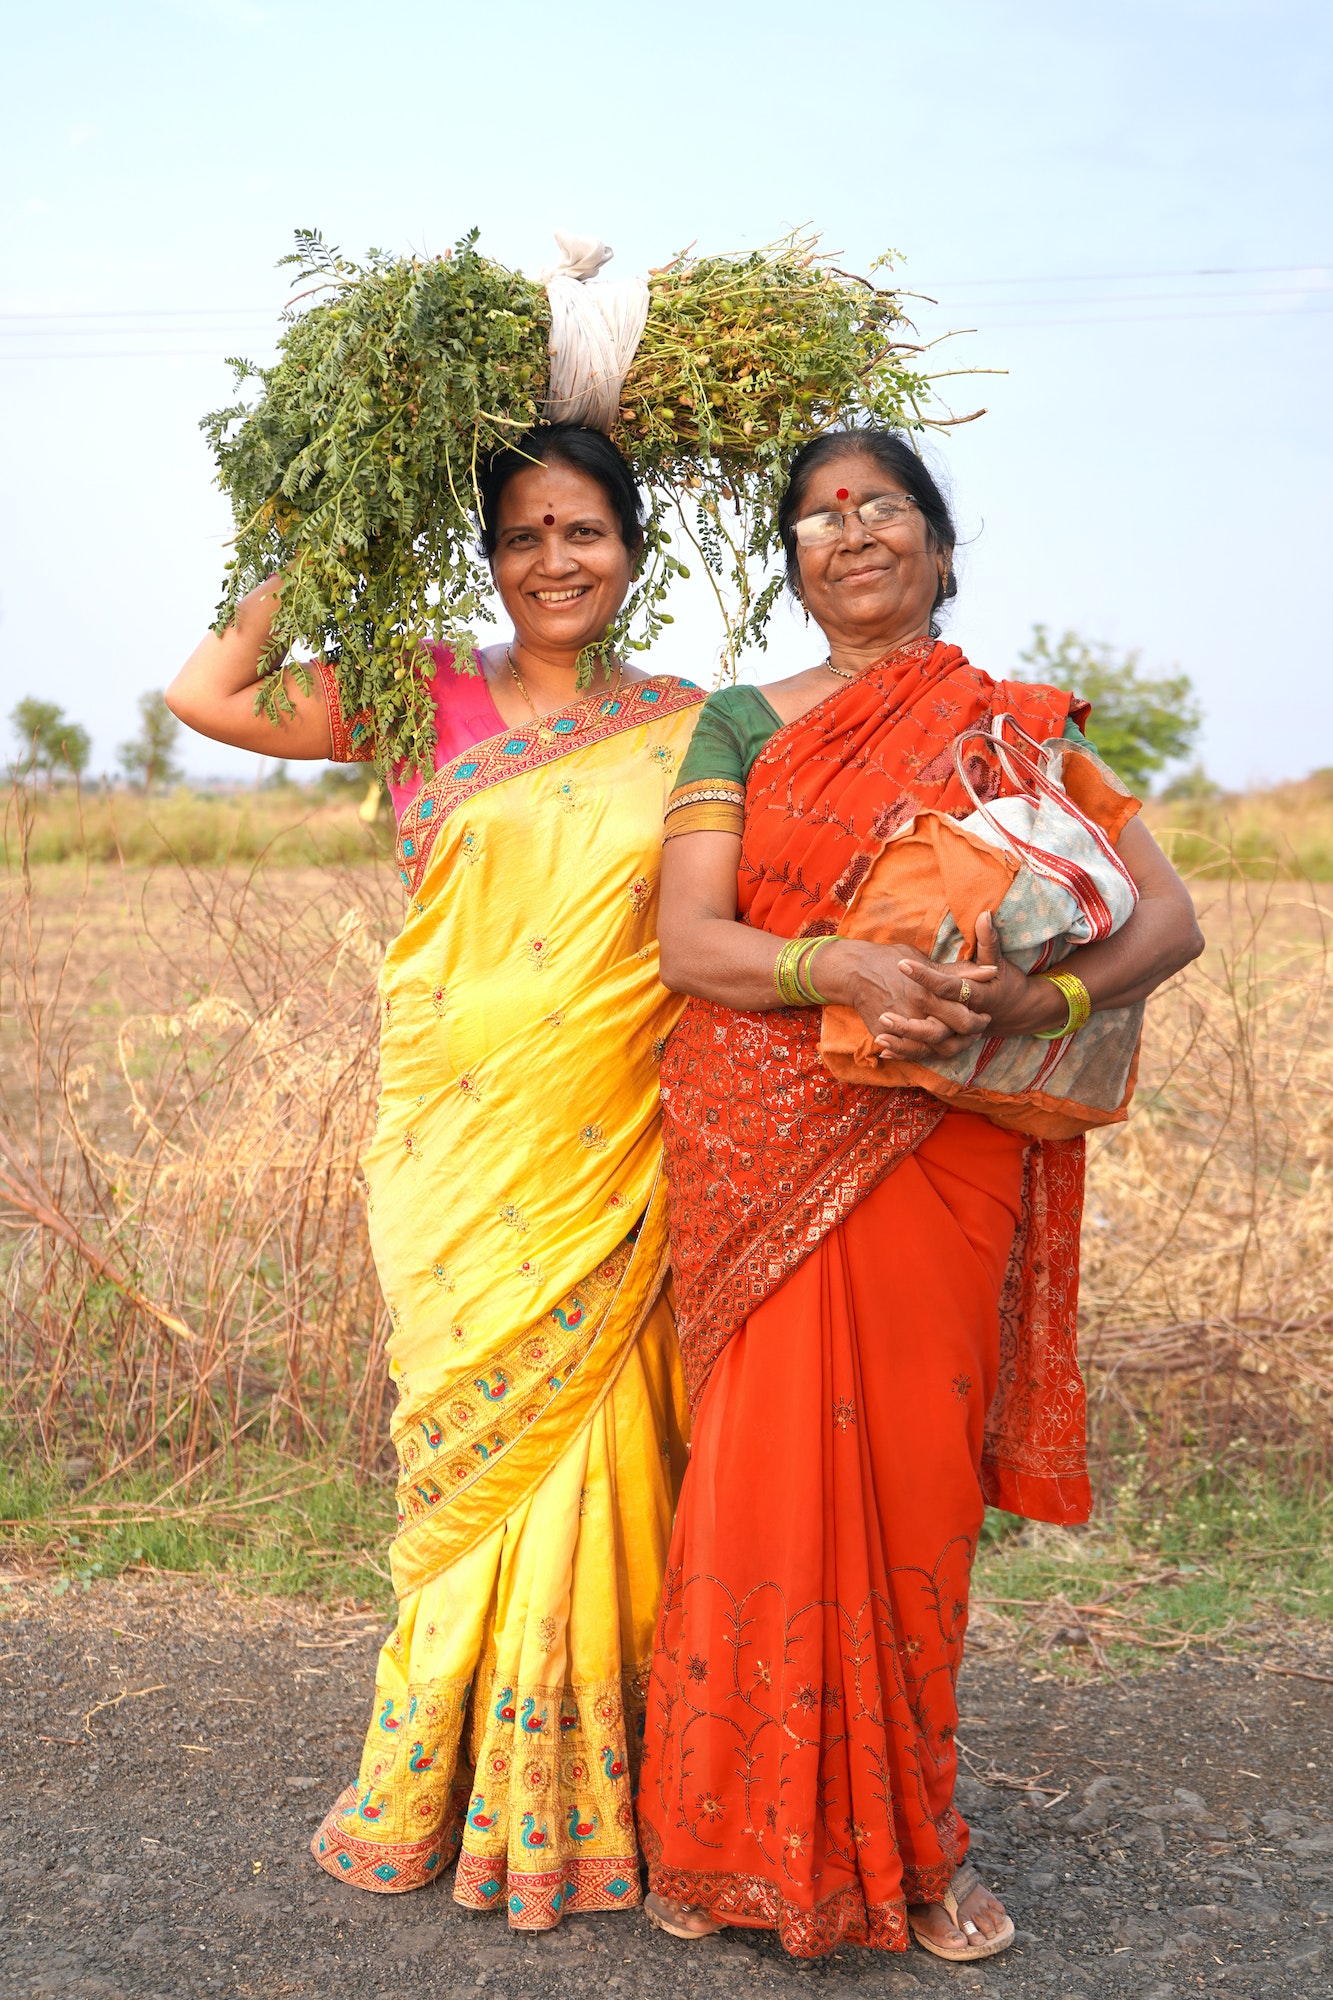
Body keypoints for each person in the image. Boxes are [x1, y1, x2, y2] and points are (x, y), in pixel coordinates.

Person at [635, 428, 1203, 1961]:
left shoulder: (1017, 735)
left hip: (940, 1148)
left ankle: (913, 1848)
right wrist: (837, 966)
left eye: (880, 505)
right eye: (817, 517)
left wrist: (1042, 1007)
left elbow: (1166, 919)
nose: (850, 531)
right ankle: (720, 1846)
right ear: (795, 567)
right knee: (753, 1488)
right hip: (763, 1146)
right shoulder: (737, 729)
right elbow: (693, 943)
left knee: (910, 1499)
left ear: (940, 548)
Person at [166, 425, 705, 1927]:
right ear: (486, 554)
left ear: (634, 552)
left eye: (585, 530)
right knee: (468, 1450)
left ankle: (608, 1790)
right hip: (452, 1142)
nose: (555, 559)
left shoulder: (689, 723)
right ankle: (445, 1770)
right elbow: (204, 695)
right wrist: (317, 510)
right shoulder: (417, 687)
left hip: (613, 1139)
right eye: (523, 532)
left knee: (601, 1441)